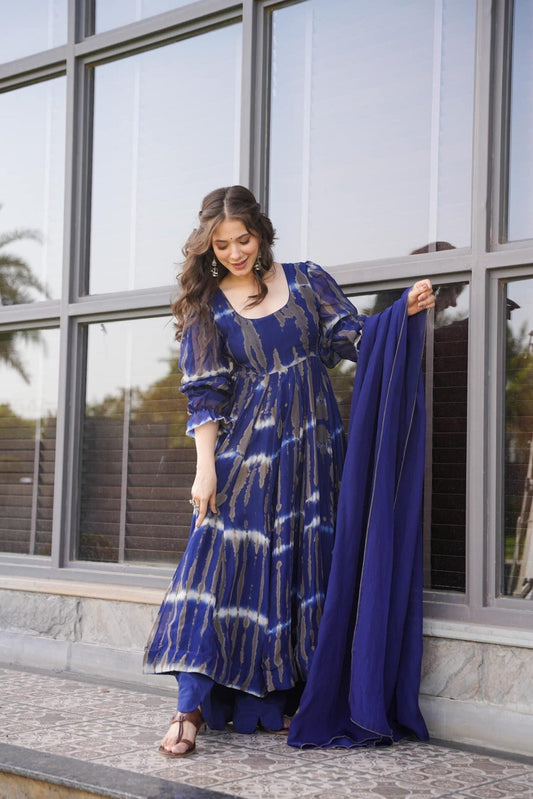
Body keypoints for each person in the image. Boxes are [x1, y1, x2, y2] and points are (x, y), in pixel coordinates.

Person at [144, 185, 435, 757]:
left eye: (243, 240)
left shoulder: (306, 281)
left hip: (314, 450)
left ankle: (275, 701)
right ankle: (189, 708)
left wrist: (401, 314)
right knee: (215, 568)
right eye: (222, 245)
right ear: (208, 247)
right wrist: (205, 471)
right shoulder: (209, 306)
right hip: (247, 453)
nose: (235, 253)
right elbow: (205, 395)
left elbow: (355, 338)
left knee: (300, 570)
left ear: (262, 233)